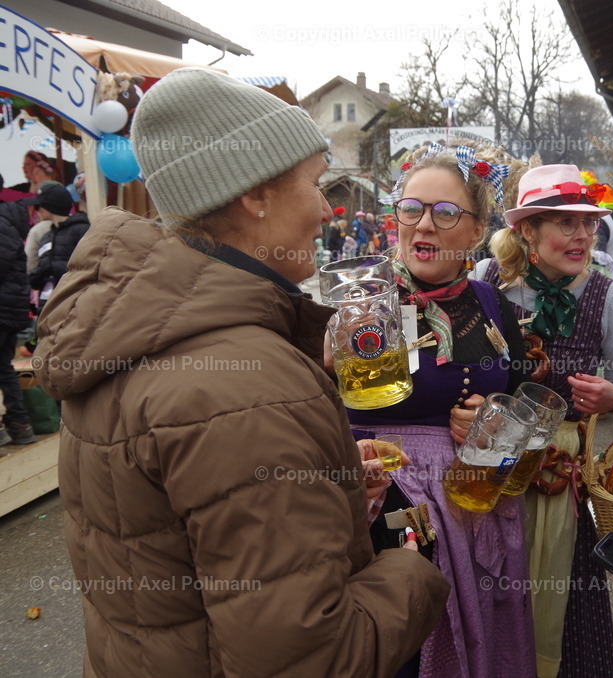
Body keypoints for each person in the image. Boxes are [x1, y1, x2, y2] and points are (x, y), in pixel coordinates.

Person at [33, 68, 449, 677]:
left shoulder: (126, 333)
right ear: (255, 195)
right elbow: (315, 658)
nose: (327, 207)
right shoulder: (249, 386)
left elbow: (174, 547)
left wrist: (326, 498)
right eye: (312, 183)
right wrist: (411, 567)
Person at [348, 141, 534, 678]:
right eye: (412, 208)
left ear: (476, 231)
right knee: (408, 648)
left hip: (478, 505)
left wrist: (495, 426)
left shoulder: (490, 301)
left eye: (445, 212)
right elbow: (334, 407)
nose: (424, 225)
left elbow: (523, 406)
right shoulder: (365, 301)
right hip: (391, 507)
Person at [475, 163, 613, 678]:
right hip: (491, 462)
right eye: (565, 223)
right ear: (527, 230)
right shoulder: (487, 283)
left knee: (559, 595)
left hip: (558, 479)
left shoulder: (606, 294)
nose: (582, 236)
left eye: (589, 223)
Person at [0, 194, 36, 446]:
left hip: (3, 308)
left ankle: (17, 425)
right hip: (9, 308)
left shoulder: (1, 224)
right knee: (3, 366)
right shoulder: (7, 221)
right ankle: (19, 424)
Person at [25, 183, 90, 310]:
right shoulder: (47, 236)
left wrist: (52, 267)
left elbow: (89, 267)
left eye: (39, 206)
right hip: (48, 306)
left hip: (73, 305)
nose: (36, 210)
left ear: (50, 206)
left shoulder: (81, 230)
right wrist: (36, 278)